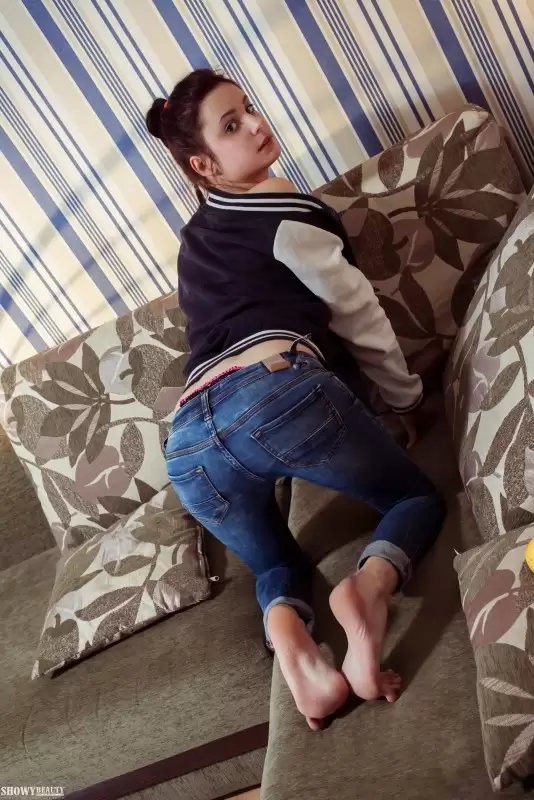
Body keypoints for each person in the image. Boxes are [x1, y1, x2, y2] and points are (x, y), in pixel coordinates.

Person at [146, 69, 446, 730]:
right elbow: (356, 310)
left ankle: (292, 639)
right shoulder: (282, 207)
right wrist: (405, 399)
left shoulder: (194, 242)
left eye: (249, 108)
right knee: (415, 500)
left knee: (275, 565)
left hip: (188, 446)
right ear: (204, 165)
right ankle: (368, 590)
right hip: (273, 393)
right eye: (232, 125)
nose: (257, 124)